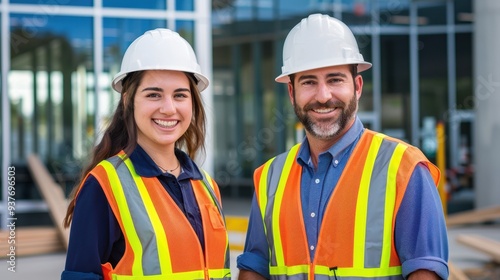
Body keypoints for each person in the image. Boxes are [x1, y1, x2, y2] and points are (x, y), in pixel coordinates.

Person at [237, 14, 448, 280]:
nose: (323, 96)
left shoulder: (403, 168)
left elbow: (425, 273)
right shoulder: (269, 178)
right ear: (291, 92)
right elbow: (254, 268)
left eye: (335, 79)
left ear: (357, 86)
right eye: (309, 82)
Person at [61, 28, 231, 280]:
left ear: (192, 103)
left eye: (180, 95)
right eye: (154, 94)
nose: (168, 108)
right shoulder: (105, 185)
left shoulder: (206, 185)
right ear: (129, 100)